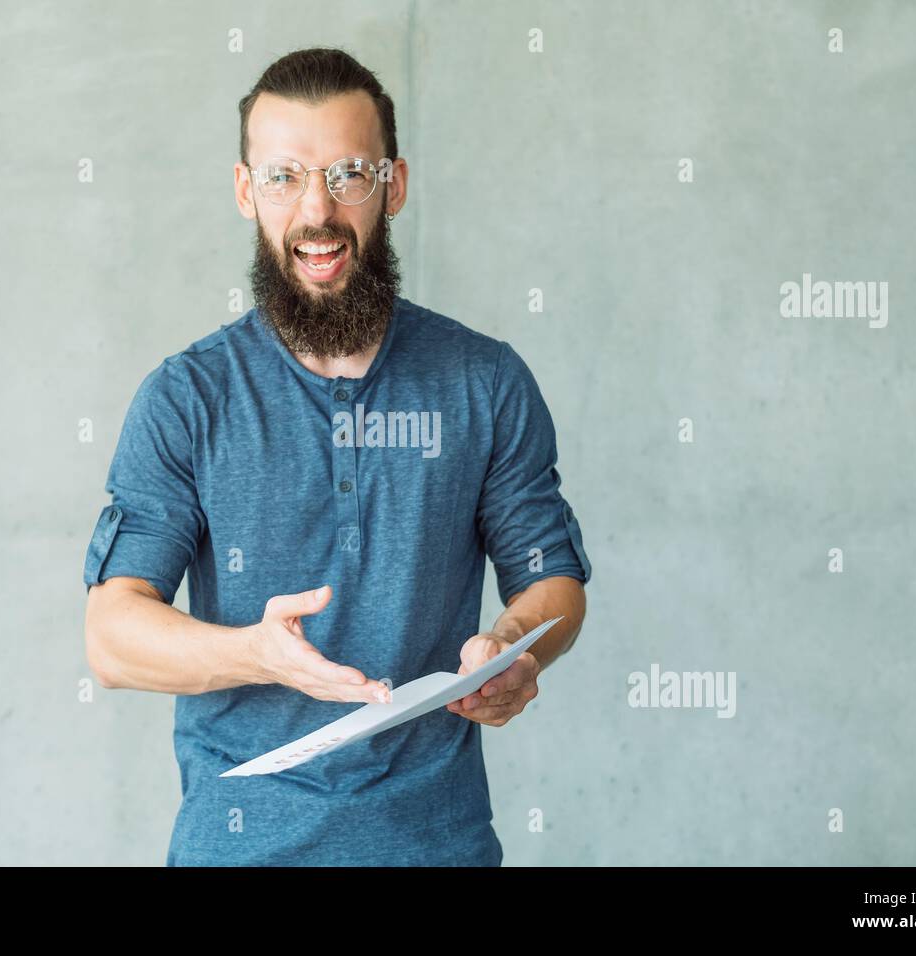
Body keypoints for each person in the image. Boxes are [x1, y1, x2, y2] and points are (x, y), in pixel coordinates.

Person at [82, 47, 591, 866]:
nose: (317, 211)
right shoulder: (186, 398)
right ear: (246, 191)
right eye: (283, 176)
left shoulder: (485, 382)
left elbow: (552, 581)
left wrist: (516, 643)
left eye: (349, 173)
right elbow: (111, 640)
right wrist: (253, 652)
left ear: (394, 185)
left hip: (438, 847)